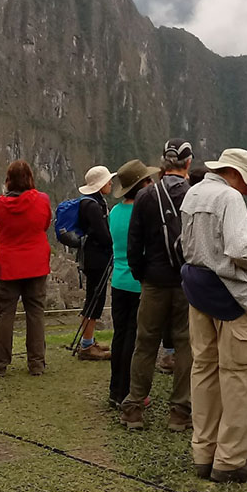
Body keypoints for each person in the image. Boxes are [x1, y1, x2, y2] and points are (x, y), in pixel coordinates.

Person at [180, 148, 247, 483]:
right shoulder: (230, 198)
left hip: (197, 290)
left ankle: (203, 452)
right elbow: (238, 248)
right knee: (240, 375)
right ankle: (231, 459)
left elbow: (184, 243)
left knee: (204, 369)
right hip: (231, 295)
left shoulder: (194, 192)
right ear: (235, 174)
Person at [121, 139, 193, 431]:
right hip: (186, 283)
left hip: (153, 281)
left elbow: (133, 244)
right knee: (186, 344)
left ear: (163, 163)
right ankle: (179, 412)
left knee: (145, 343)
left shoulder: (146, 197)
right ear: (188, 163)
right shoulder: (195, 195)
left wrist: (142, 274)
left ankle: (134, 409)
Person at [0, 160, 52, 377]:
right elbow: (44, 224)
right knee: (35, 313)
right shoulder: (42, 200)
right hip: (36, 264)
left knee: (6, 314)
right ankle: (37, 363)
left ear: (8, 181)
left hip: (8, 266)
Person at [108, 159, 159, 406]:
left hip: (118, 281)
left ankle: (114, 390)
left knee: (119, 336)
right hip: (138, 283)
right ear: (141, 186)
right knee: (135, 339)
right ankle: (129, 392)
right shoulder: (145, 212)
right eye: (149, 181)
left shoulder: (115, 213)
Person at [77, 165, 115, 361]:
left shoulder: (93, 202)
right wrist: (114, 242)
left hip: (93, 256)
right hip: (96, 258)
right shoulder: (92, 205)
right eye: (108, 181)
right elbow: (102, 234)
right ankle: (86, 345)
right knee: (94, 300)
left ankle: (88, 341)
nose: (110, 183)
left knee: (94, 299)